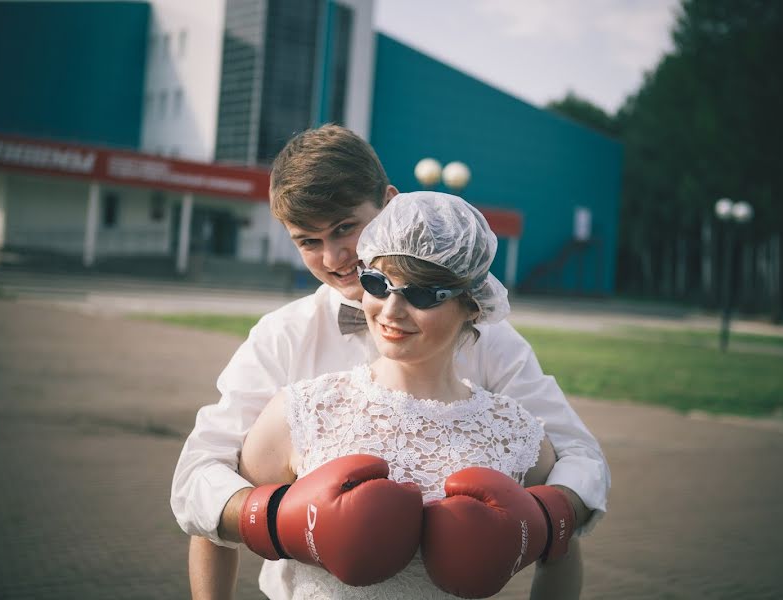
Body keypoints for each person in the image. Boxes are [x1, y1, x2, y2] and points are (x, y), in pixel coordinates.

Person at [170, 124, 610, 599]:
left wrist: (543, 520)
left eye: (344, 228)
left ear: (389, 204)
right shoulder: (283, 336)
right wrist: (282, 519)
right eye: (307, 242)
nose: (335, 258)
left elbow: (578, 458)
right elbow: (200, 479)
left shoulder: (488, 337)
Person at [236, 191, 579, 599]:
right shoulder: (303, 411)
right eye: (377, 284)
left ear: (471, 305)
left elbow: (563, 548)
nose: (391, 310)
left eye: (419, 294)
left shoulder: (516, 434)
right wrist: (285, 523)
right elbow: (216, 521)